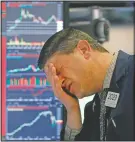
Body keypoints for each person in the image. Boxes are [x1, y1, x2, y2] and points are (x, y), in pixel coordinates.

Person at [37, 28, 134, 141]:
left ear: (84, 50)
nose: (60, 83)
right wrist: (72, 109)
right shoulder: (93, 110)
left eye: (58, 72)